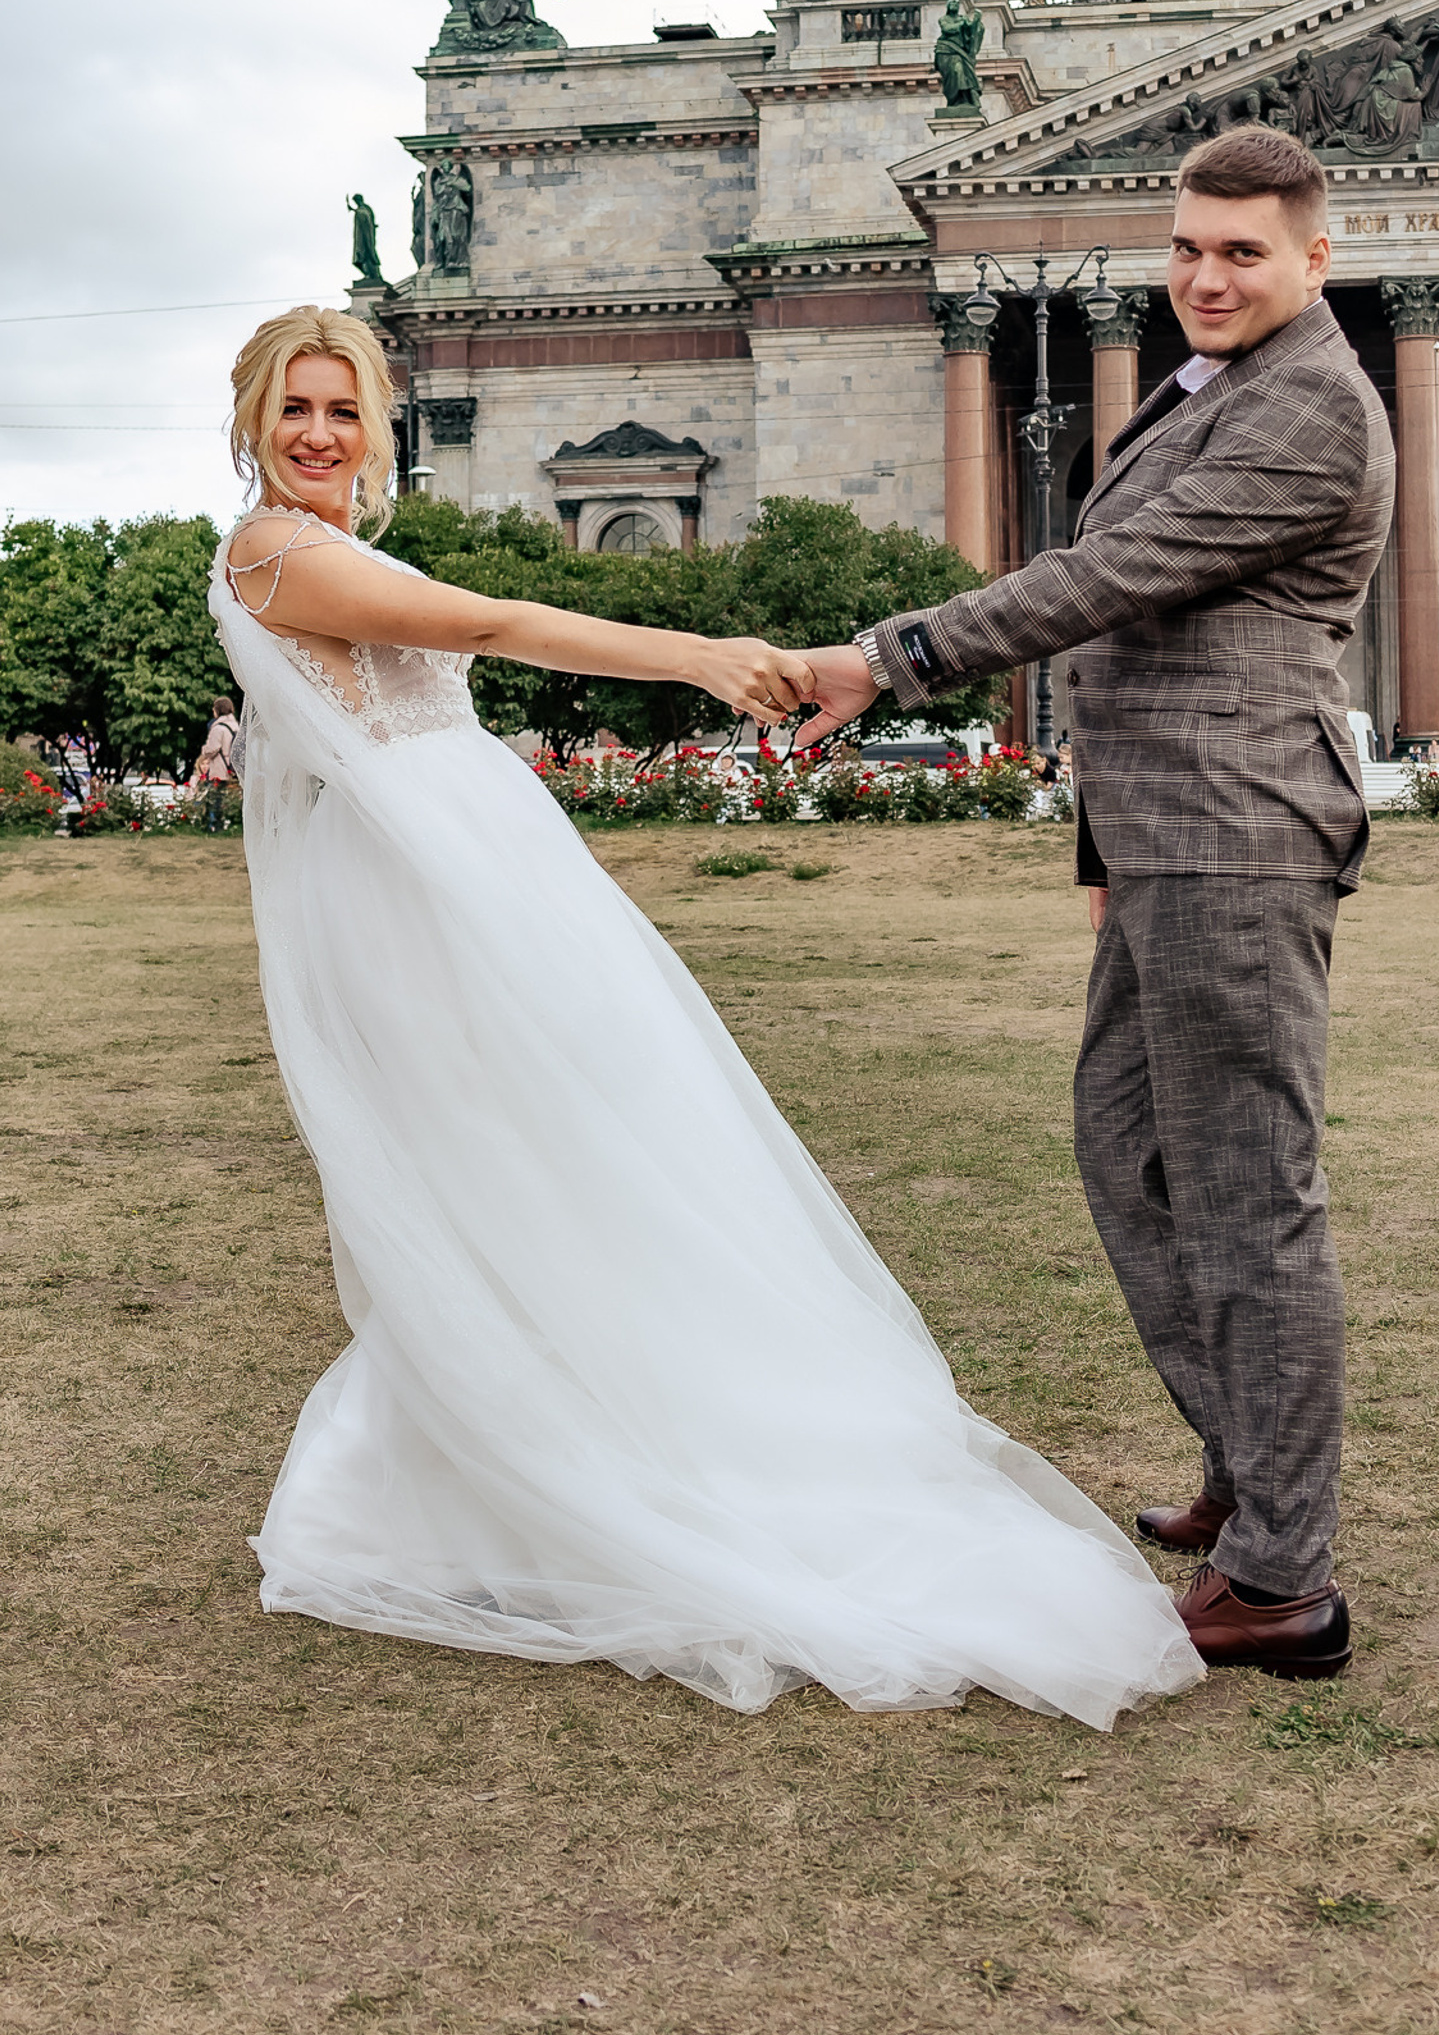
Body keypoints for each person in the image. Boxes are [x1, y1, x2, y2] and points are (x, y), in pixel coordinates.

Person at [207, 304, 1197, 1728]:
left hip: (477, 863)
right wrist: (697, 653)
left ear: (376, 425)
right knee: (499, 1170)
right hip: (417, 884)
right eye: (294, 408)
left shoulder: (330, 545)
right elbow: (488, 624)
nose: (317, 433)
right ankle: (521, 1470)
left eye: (343, 409)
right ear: (251, 418)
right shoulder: (273, 550)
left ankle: (578, 1446)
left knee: (570, 1161)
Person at [794, 126, 1394, 1681]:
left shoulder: (1313, 407)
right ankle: (1248, 1466)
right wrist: (1099, 851)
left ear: (1314, 259)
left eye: (1242, 252)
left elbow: (1109, 579)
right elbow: (1133, 627)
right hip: (1167, 833)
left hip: (1235, 833)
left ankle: (1284, 1580)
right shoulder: (1218, 383)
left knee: (1250, 1195)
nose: (1205, 276)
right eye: (1187, 247)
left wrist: (894, 657)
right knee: (1128, 1148)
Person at [189, 695, 239, 831]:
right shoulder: (235, 725)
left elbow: (212, 749)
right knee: (225, 797)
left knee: (215, 798)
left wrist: (204, 750)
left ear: (218, 710)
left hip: (220, 767)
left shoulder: (218, 728)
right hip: (231, 765)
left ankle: (215, 825)